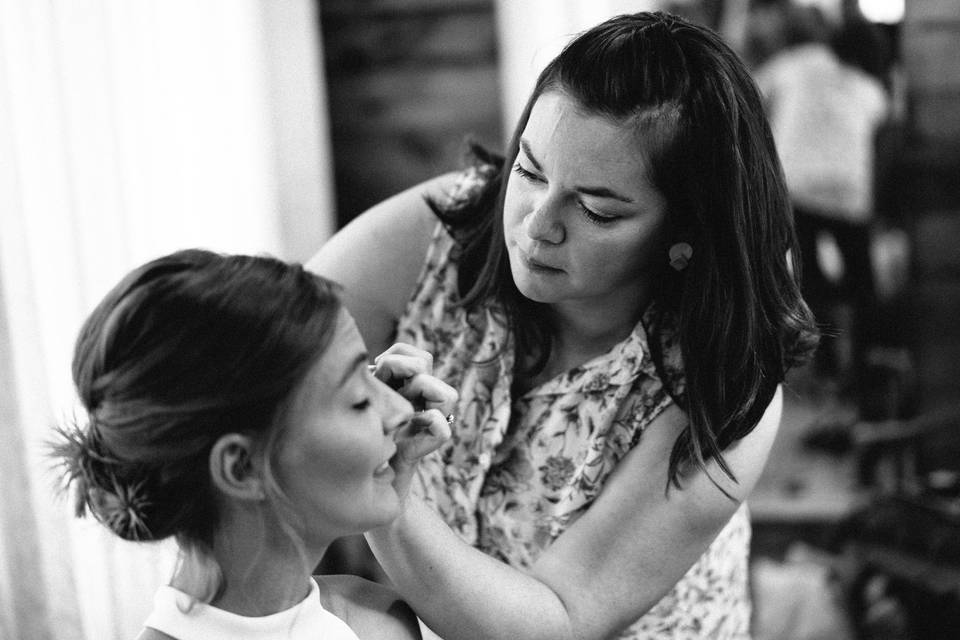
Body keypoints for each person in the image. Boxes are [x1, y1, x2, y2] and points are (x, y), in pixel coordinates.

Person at [310, 10, 818, 640]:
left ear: (685, 233)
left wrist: (386, 485)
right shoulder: (444, 231)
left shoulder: (728, 376)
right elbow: (265, 351)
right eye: (529, 171)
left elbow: (559, 620)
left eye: (598, 210)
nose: (536, 225)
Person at [49, 249, 456, 640]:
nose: (401, 409)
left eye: (372, 372)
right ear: (242, 467)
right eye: (359, 399)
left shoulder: (379, 623)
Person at [754, 15, 890, 399]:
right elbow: (883, 140)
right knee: (863, 284)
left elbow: (752, 93)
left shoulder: (798, 62)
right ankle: (865, 371)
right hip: (850, 194)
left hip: (797, 188)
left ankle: (825, 363)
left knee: (808, 278)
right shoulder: (872, 90)